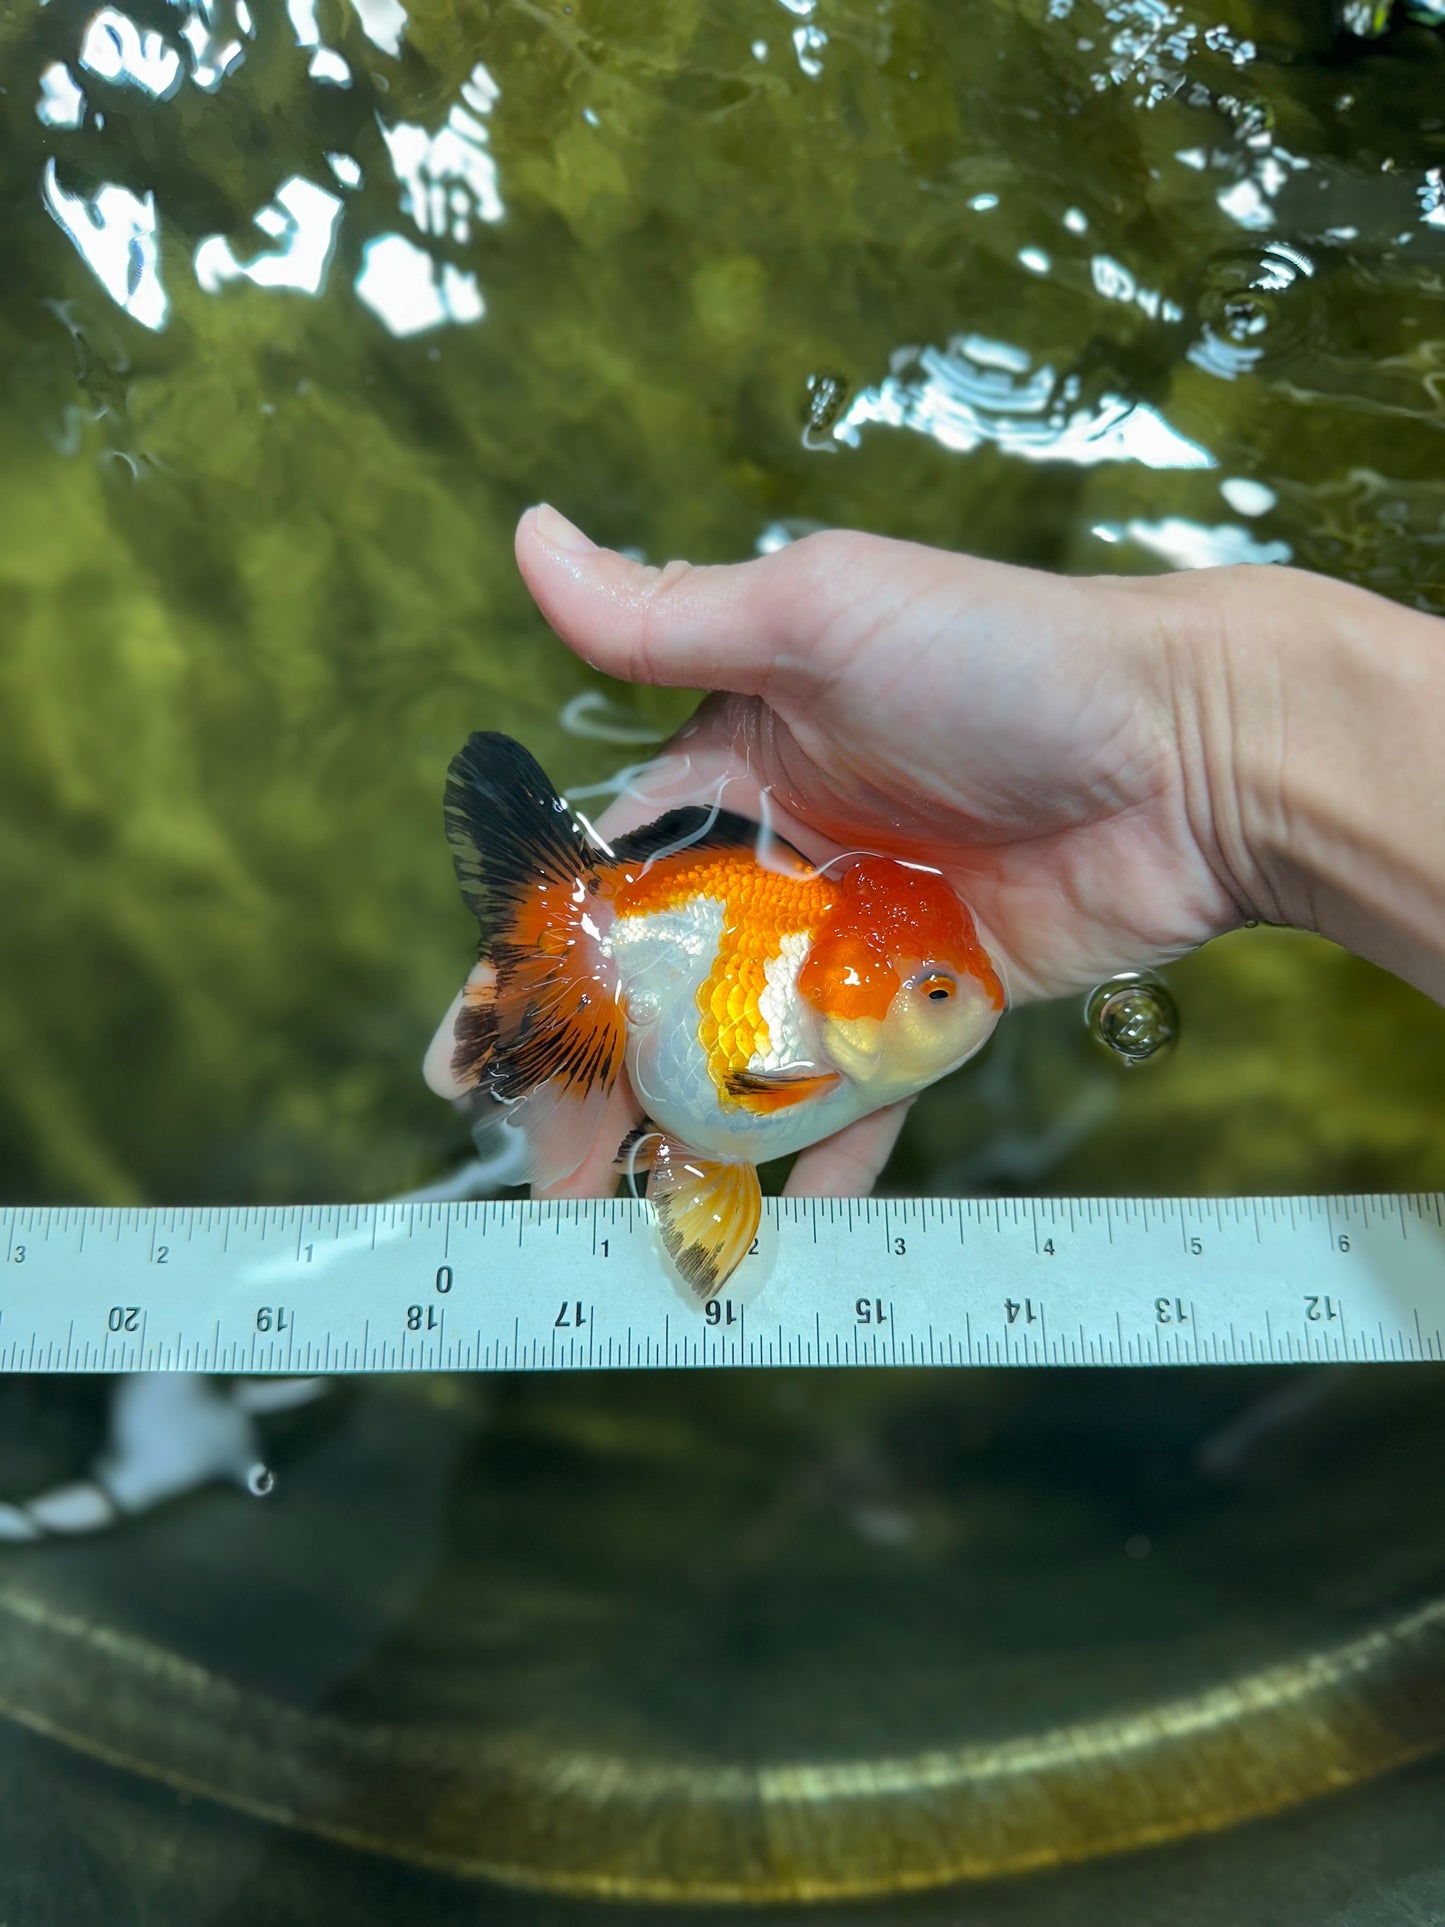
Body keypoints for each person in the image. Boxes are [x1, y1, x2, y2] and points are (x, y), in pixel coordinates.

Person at [512, 502, 1445, 1199]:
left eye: (941, 989)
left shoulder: (838, 1026)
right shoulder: (806, 1009)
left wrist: (1202, 756)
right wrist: (1204, 761)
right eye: (936, 991)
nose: (975, 993)